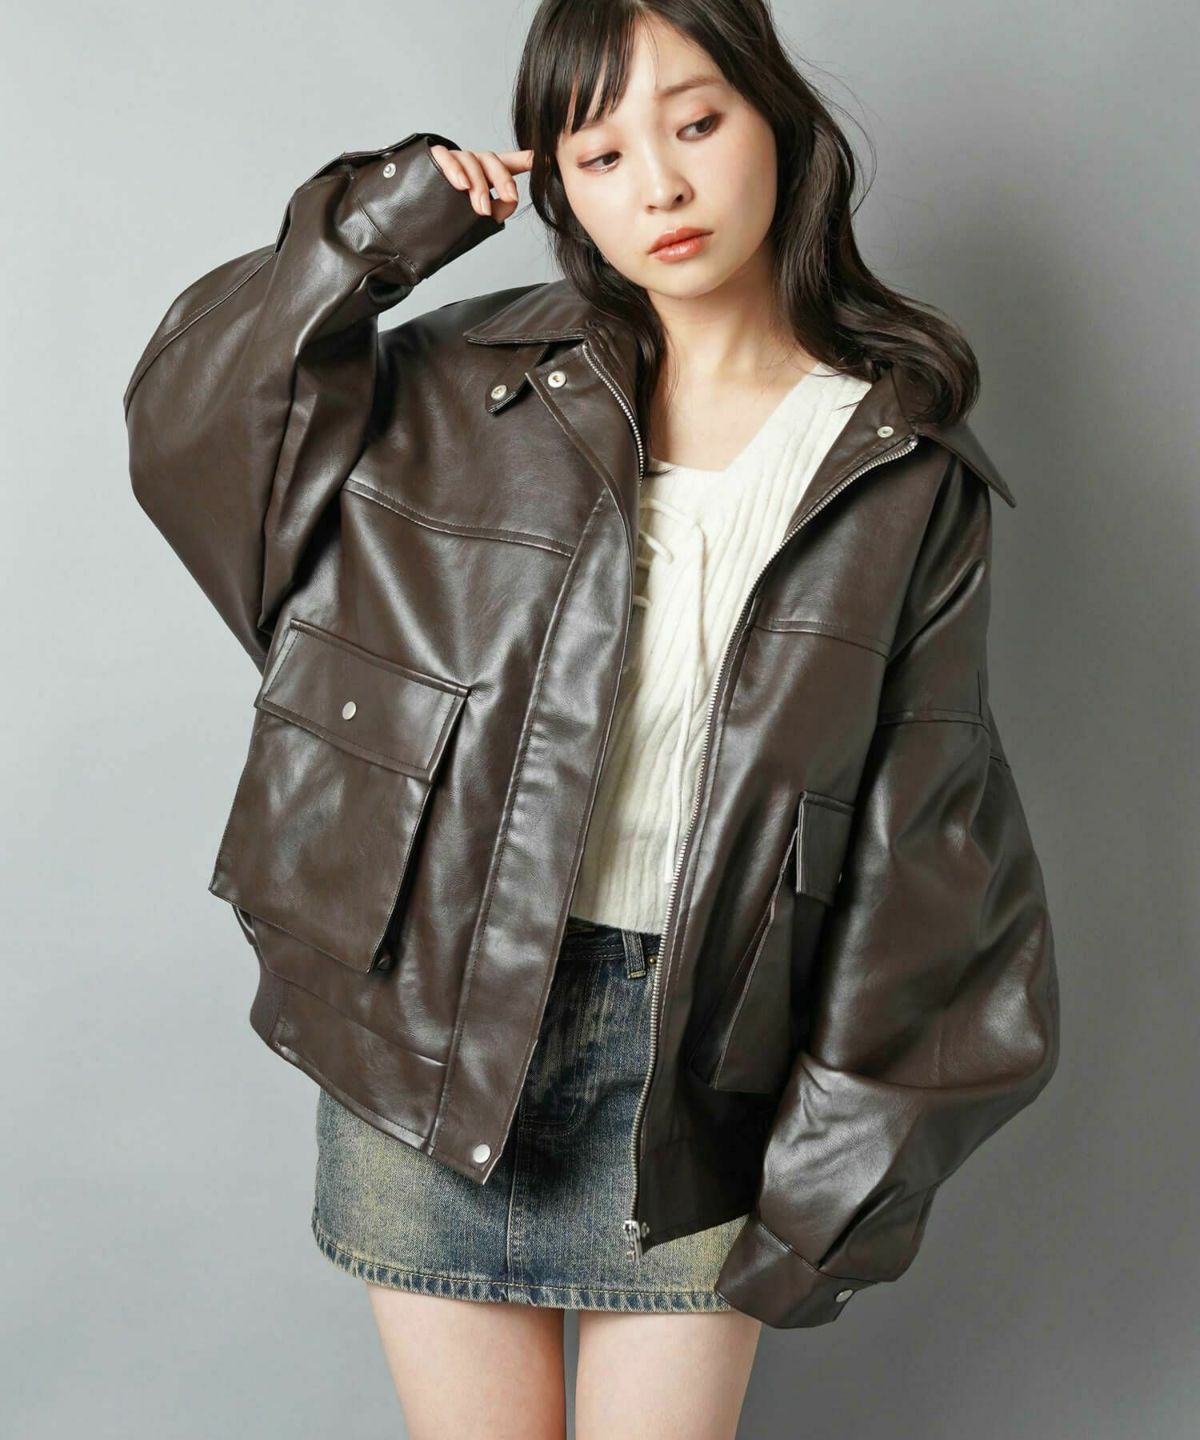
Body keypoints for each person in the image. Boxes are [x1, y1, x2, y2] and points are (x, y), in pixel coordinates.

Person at [124, 1, 1059, 1436]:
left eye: (696, 123)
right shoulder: (469, 384)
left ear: (776, 122)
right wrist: (381, 227)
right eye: (602, 153)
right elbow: (193, 435)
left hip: (697, 1074)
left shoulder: (899, 462)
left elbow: (921, 861)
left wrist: (821, 1197)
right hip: (430, 1021)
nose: (661, 187)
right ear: (559, 185)